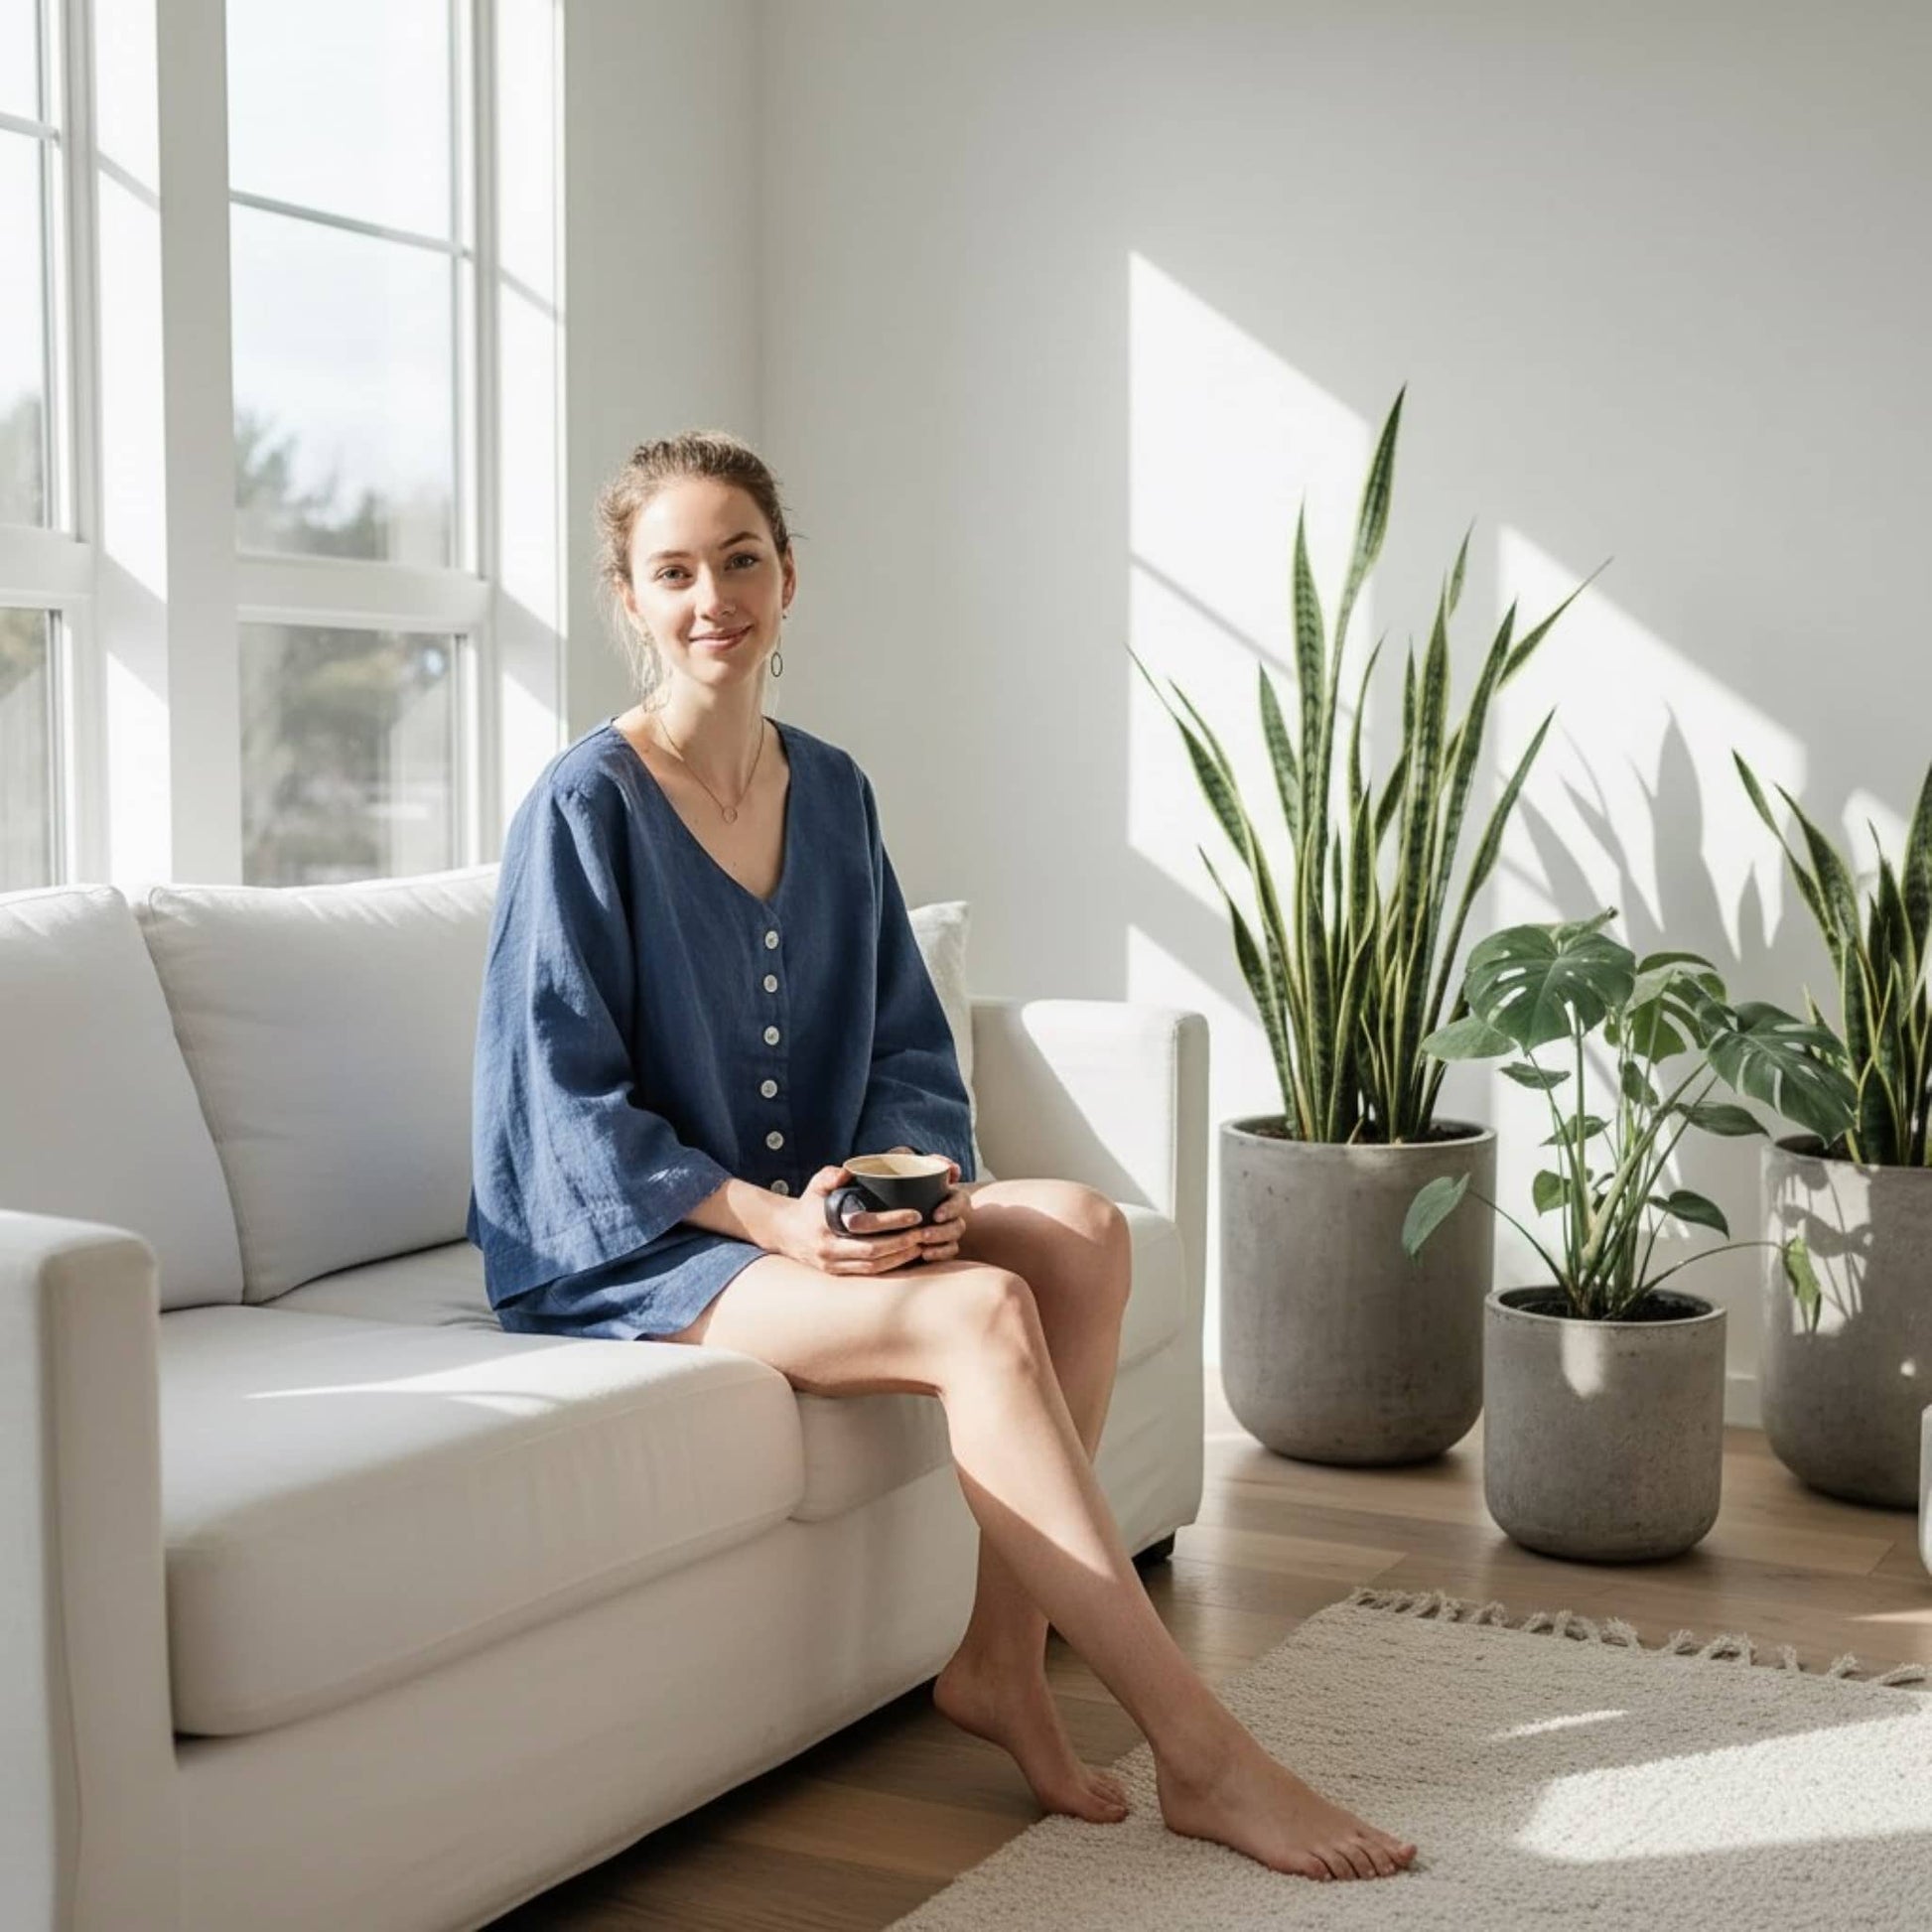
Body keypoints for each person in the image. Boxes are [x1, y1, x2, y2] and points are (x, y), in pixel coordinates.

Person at [466, 430, 1418, 1884]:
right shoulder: (583, 805)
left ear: (788, 576)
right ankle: (1201, 1749)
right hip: (648, 1241)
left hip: (813, 1219)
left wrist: (911, 1179)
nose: (711, 594)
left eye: (739, 558)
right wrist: (778, 1225)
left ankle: (996, 1660)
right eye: (674, 571)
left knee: (1081, 1228)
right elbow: (559, 1103)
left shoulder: (834, 792)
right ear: (629, 598)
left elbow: (909, 1040)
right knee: (981, 1310)